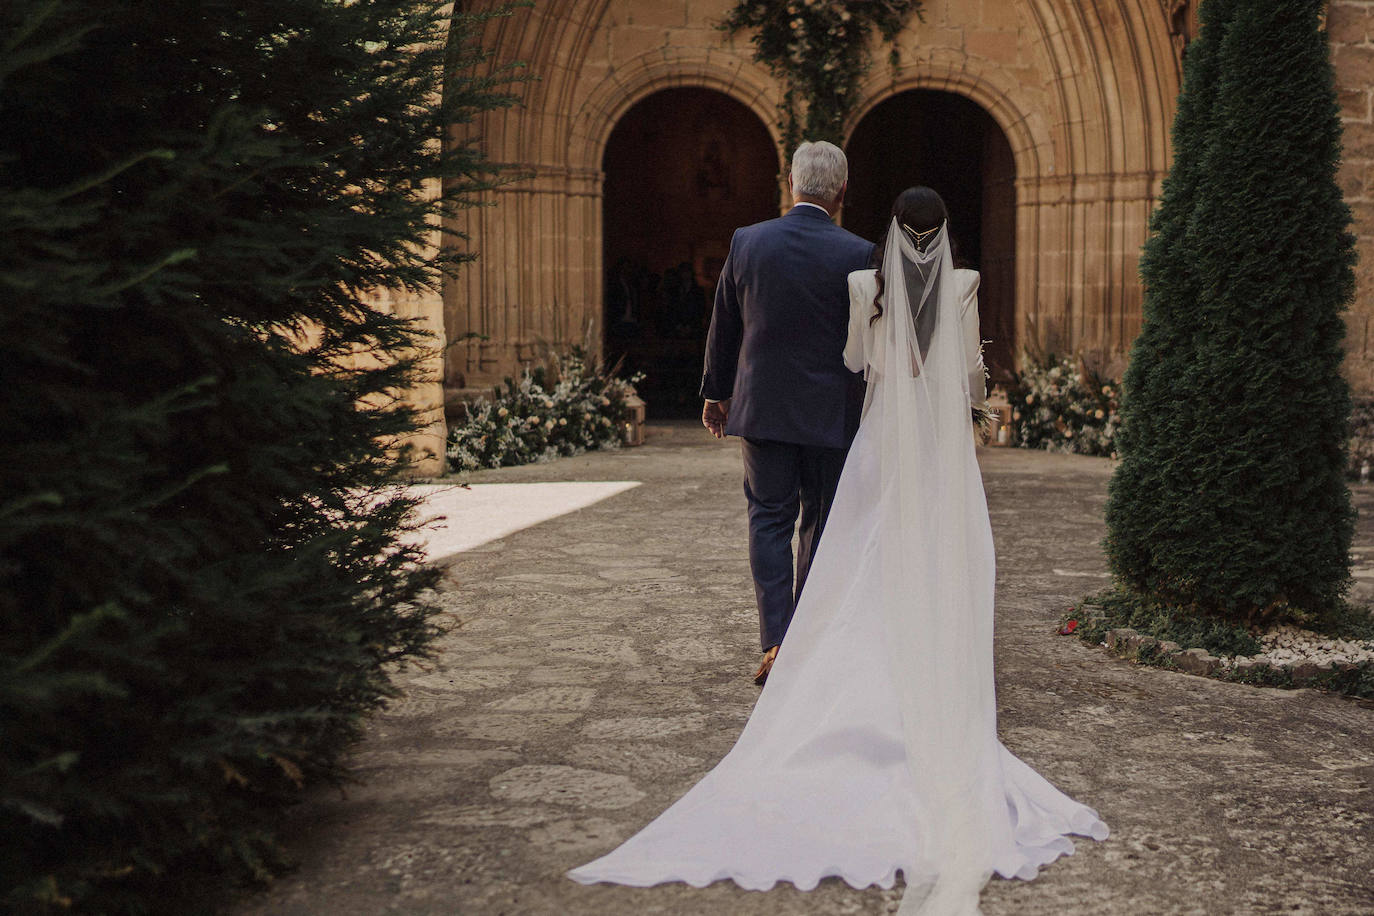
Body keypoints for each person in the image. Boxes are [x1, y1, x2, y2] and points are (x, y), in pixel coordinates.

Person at [569, 187, 1108, 914]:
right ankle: (934, 675)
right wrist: (954, 393)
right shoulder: (966, 284)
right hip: (944, 453)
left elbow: (858, 357)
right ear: (944, 234)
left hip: (880, 442)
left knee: (858, 557)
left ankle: (810, 656)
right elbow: (973, 380)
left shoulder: (865, 281)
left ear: (888, 231)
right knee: (944, 556)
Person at [698, 140, 874, 685]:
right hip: (831, 415)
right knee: (821, 523)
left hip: (763, 409)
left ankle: (776, 640)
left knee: (769, 520)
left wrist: (715, 391)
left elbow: (725, 323)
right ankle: (809, 640)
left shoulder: (748, 242)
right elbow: (869, 341)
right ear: (842, 191)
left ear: (789, 183)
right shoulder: (860, 253)